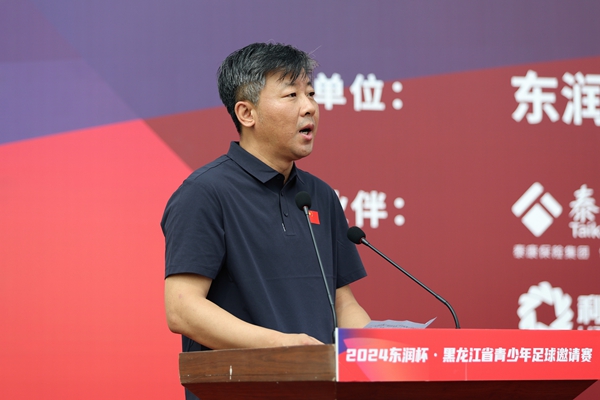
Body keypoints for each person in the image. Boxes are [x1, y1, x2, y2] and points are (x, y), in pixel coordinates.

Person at [161, 42, 370, 398]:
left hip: (317, 389)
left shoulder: (319, 195)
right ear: (247, 113)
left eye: (311, 93)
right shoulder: (205, 192)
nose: (310, 107)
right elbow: (182, 309)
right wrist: (282, 346)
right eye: (291, 95)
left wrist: (377, 353)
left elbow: (343, 303)